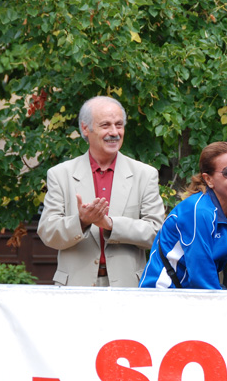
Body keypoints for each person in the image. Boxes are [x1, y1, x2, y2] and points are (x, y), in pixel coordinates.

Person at [37, 96, 165, 287]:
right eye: (105, 125)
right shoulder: (60, 174)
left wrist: (111, 224)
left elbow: (156, 232)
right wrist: (81, 222)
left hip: (127, 287)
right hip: (75, 287)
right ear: (85, 129)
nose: (114, 132)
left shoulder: (145, 174)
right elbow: (47, 232)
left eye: (119, 125)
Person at [139, 141, 227, 290]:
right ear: (209, 180)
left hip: (193, 297)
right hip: (162, 296)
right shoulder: (197, 212)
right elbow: (202, 281)